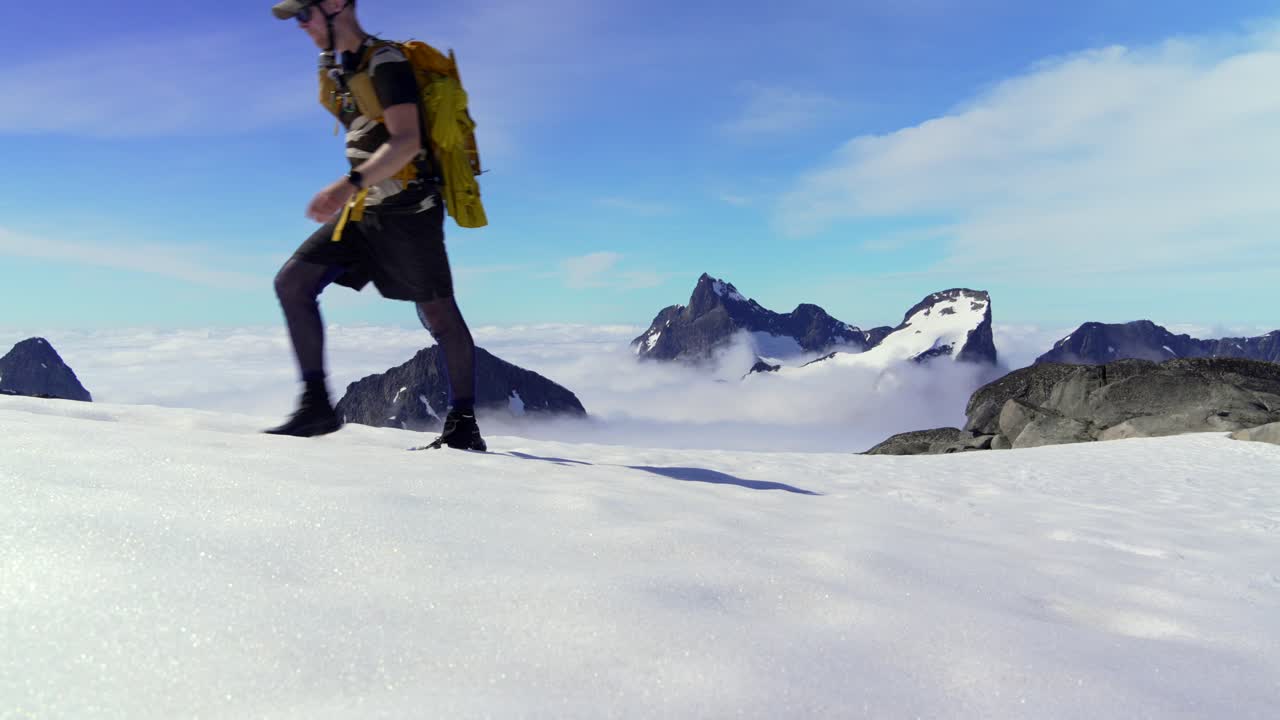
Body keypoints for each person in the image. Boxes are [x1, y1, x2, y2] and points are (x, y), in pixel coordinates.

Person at [265, 0, 486, 451]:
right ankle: (316, 408)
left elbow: (408, 141)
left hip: (408, 211)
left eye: (304, 15)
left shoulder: (386, 61)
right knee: (292, 282)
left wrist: (349, 184)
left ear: (334, 6)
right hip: (366, 210)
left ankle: (463, 423)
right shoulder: (344, 69)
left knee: (438, 315)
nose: (301, 27)